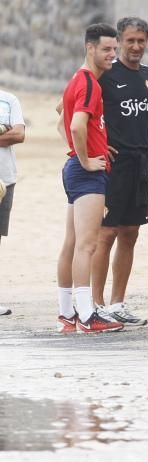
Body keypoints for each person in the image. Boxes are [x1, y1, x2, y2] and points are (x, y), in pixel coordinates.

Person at [91, 17, 148, 327]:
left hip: (140, 164)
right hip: (113, 164)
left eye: (141, 41)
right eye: (130, 41)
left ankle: (118, 303)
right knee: (105, 233)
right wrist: (97, 146)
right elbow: (68, 112)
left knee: (130, 234)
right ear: (119, 41)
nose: (136, 46)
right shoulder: (105, 75)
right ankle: (95, 304)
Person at [56, 23, 123, 333]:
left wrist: (90, 144)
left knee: (71, 243)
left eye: (115, 49)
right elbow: (75, 126)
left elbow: (62, 117)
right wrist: (85, 157)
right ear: (90, 48)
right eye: (107, 49)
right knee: (87, 245)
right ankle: (86, 316)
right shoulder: (91, 84)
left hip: (74, 168)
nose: (113, 54)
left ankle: (67, 313)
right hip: (85, 172)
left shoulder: (76, 80)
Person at [0, 89, 25, 316]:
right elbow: (11, 133)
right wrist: (3, 131)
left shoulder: (8, 100)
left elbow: (18, 135)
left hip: (4, 180)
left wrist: (9, 131)